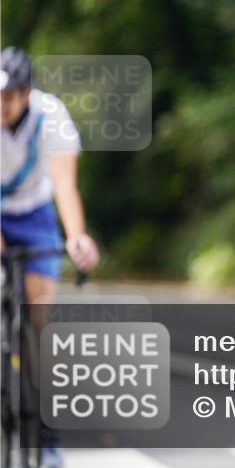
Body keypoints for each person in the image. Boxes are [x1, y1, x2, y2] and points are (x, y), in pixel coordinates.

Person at [1, 46, 100, 468]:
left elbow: (63, 184)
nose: (1, 106)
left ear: (27, 93)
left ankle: (45, 431)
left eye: (8, 97)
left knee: (40, 320)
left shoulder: (51, 116)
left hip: (35, 215)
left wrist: (76, 237)